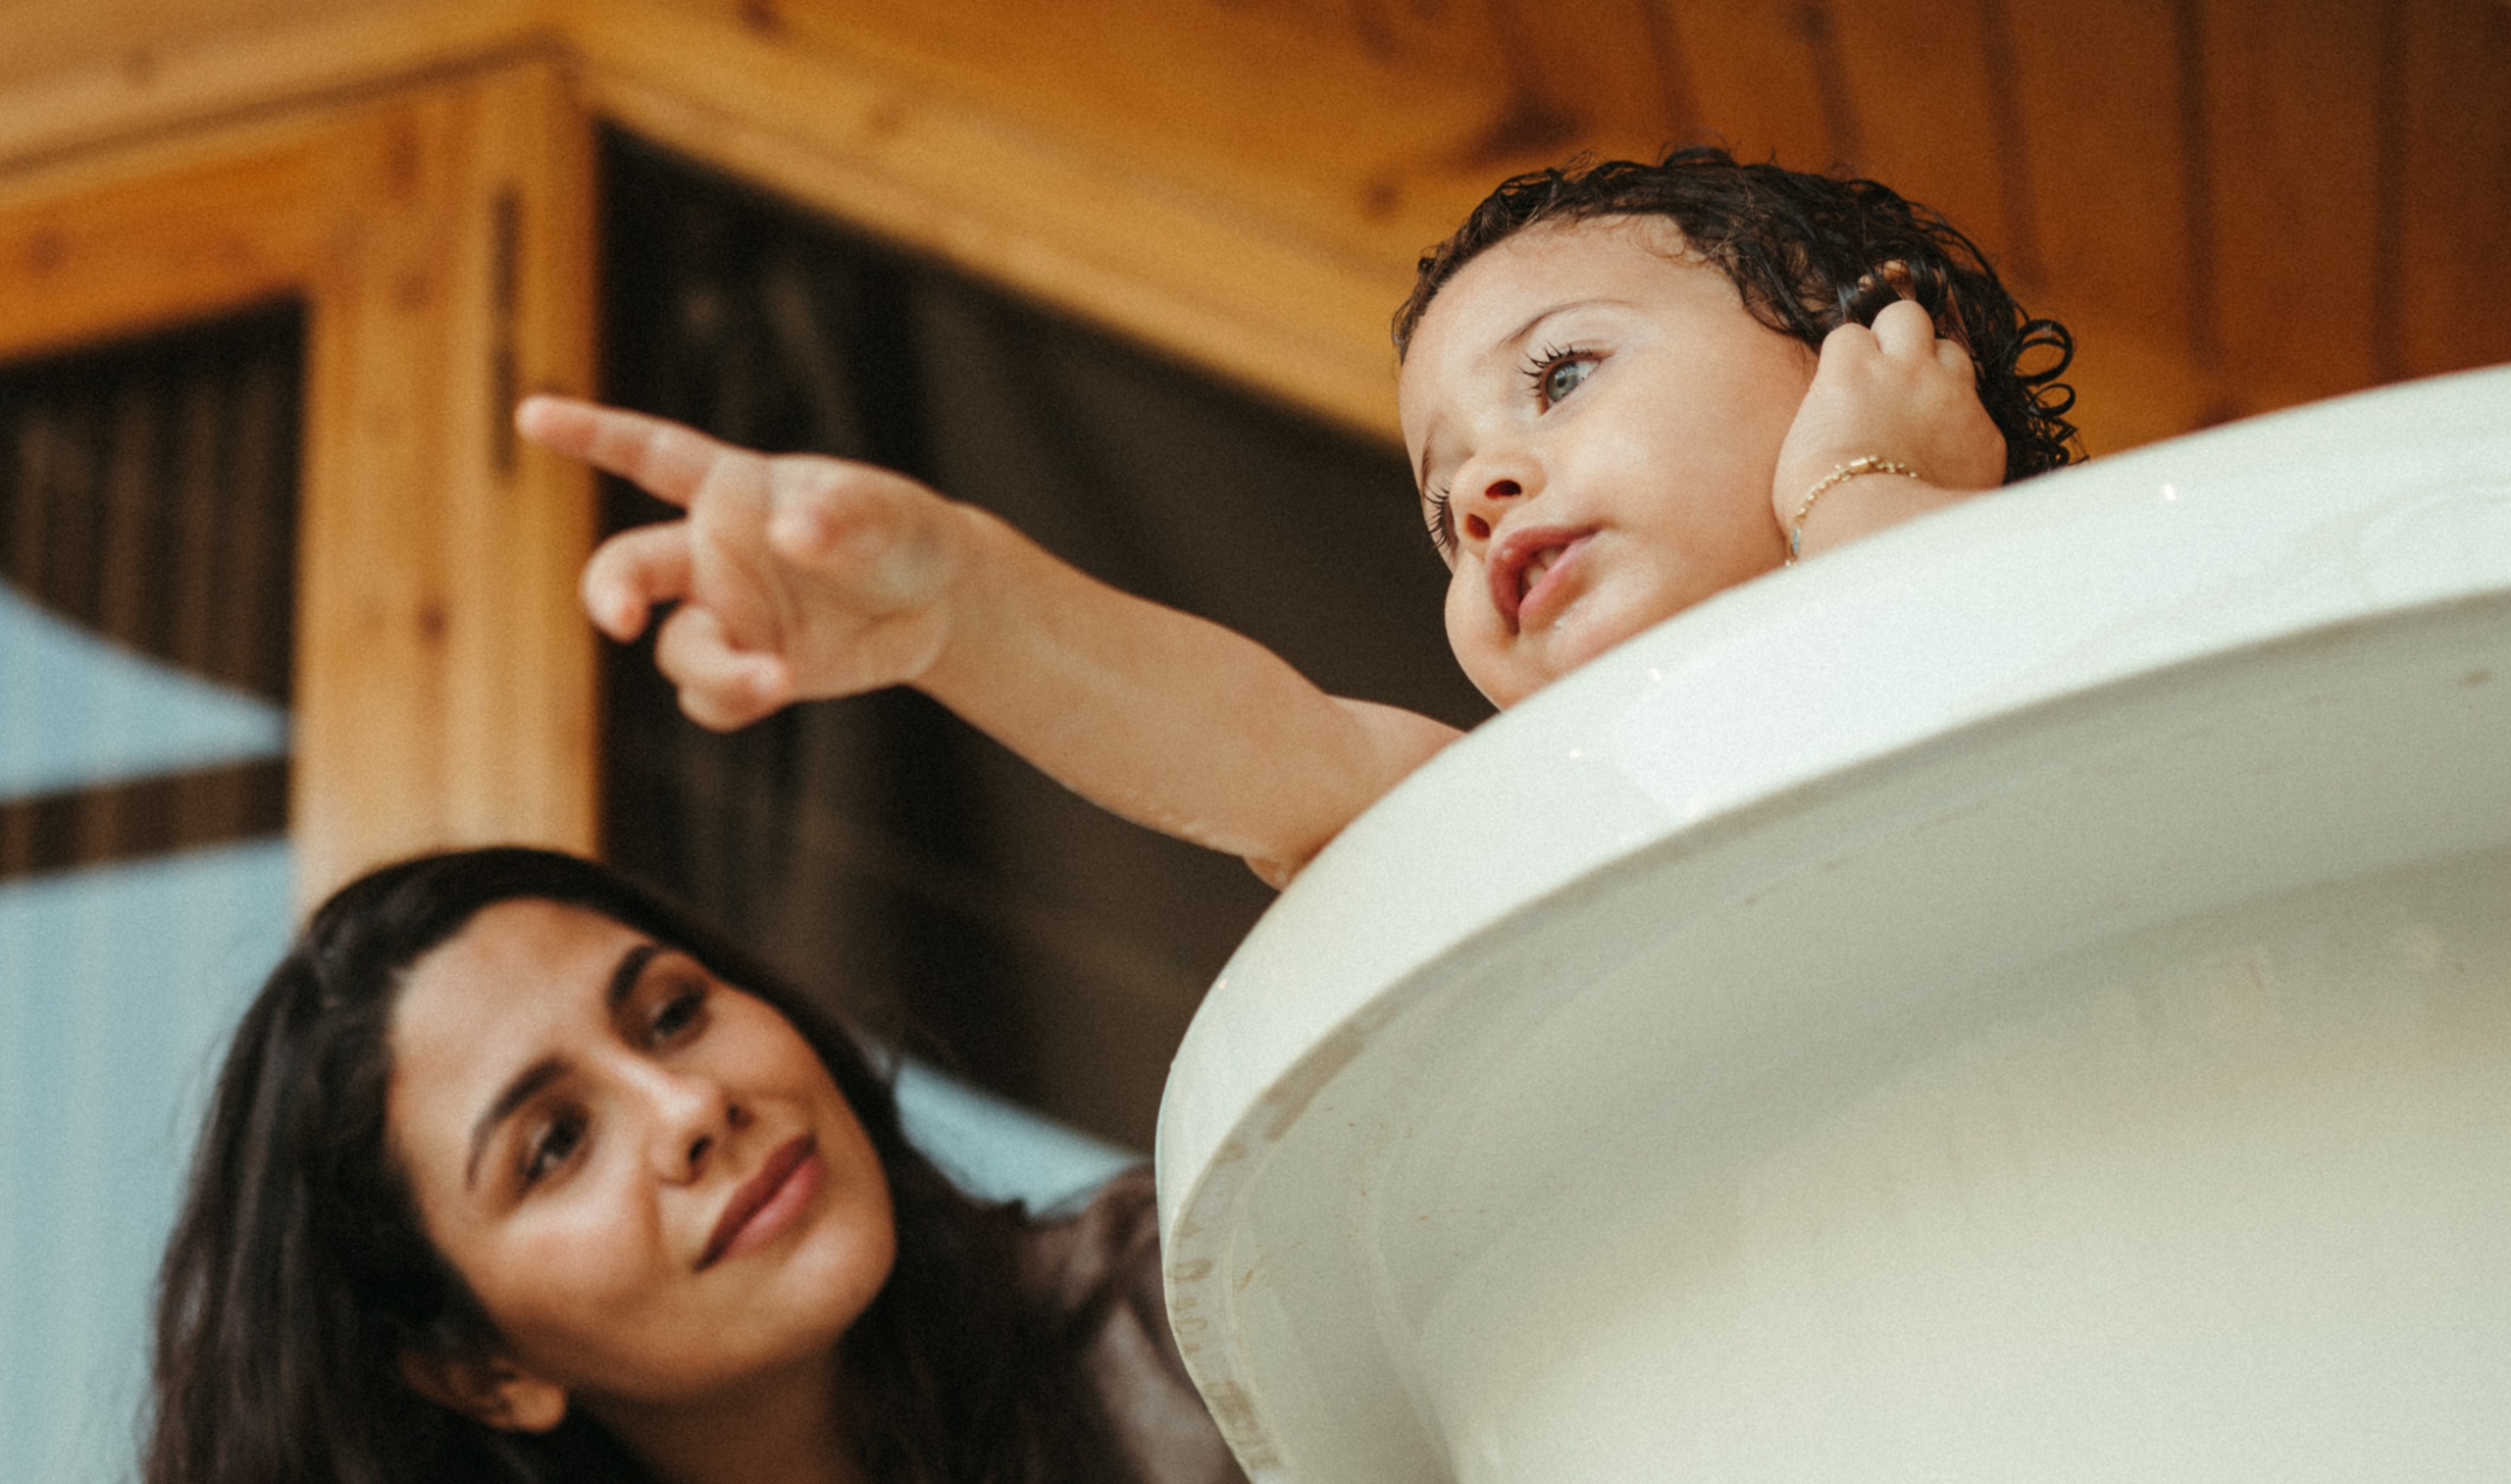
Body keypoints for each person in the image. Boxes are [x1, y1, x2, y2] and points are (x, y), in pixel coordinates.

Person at [519, 147, 2076, 888]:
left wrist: (1871, 489)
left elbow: (1969, 750)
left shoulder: (2087, 594)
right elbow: (1263, 749)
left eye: (1562, 375)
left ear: (1881, 350)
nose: (1483, 493)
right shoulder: (1530, 820)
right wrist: (957, 605)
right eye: (1442, 514)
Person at [53, 846, 1358, 1484]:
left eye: (673, 1014)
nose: (690, 1107)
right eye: (555, 1144)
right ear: (482, 1371)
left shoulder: (1193, 1316)